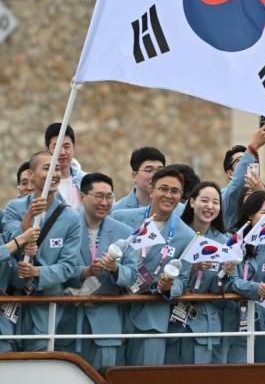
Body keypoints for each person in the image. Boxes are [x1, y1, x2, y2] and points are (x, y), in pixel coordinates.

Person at [4, 151, 83, 351]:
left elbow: (69, 265)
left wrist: (38, 272)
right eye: (47, 168)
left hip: (45, 300)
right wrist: (29, 218)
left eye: (57, 168)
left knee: (39, 351)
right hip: (12, 297)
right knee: (5, 350)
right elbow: (11, 241)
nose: (54, 174)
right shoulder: (14, 208)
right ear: (31, 174)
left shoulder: (71, 218)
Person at [60, 173, 137, 368]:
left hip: (106, 324)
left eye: (109, 197)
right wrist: (84, 272)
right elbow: (54, 267)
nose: (105, 202)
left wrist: (115, 269)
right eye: (99, 196)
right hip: (68, 320)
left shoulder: (124, 232)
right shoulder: (64, 226)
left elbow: (133, 275)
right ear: (83, 196)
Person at [124, 167, 195, 366]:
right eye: (163, 189)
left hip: (151, 317)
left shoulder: (187, 236)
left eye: (175, 191)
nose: (168, 195)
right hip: (115, 309)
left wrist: (168, 286)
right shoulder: (122, 217)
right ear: (151, 189)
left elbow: (182, 280)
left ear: (181, 196)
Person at [167, 182, 229, 364]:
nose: (210, 206)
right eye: (204, 200)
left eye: (216, 202)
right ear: (192, 202)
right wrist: (192, 267)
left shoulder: (223, 242)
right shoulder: (175, 233)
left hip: (205, 321)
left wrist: (225, 274)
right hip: (173, 316)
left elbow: (222, 288)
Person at [223, 191, 265, 363]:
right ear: (251, 214)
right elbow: (230, 281)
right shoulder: (233, 239)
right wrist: (255, 288)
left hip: (261, 316)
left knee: (262, 367)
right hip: (232, 314)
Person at [0, 223, 39, 352]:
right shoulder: (8, 245)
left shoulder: (2, 237)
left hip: (6, 326)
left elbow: (18, 282)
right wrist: (21, 240)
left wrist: (27, 257)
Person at [44, 123, 86, 209]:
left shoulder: (87, 181)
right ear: (47, 150)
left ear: (73, 148)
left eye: (67, 146)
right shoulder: (40, 184)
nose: (62, 152)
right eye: (57, 147)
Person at [112, 147, 166, 212]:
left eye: (160, 170)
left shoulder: (177, 209)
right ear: (134, 176)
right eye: (149, 170)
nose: (155, 175)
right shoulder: (117, 210)